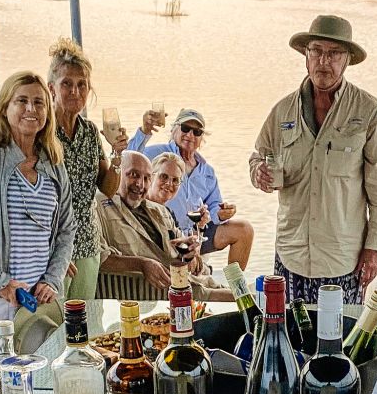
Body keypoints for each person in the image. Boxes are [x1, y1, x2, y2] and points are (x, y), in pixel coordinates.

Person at [249, 14, 377, 304]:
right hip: (291, 254)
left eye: (334, 53)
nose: (324, 61)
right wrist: (258, 173)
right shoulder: (282, 111)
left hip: (342, 259)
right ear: (306, 55)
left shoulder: (367, 111)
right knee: (287, 330)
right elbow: (258, 156)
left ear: (347, 60)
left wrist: (375, 248)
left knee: (342, 333)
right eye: (316, 51)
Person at [0, 71, 76, 351]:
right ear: (4, 108)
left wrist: (52, 280)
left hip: (39, 299)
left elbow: (67, 229)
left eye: (39, 102)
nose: (31, 109)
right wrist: (1, 282)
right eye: (22, 101)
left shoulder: (54, 163)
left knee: (41, 371)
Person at [47, 38, 127, 300]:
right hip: (53, 247)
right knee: (52, 318)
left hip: (88, 242)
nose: (75, 91)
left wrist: (117, 155)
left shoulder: (90, 131)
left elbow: (107, 188)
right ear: (51, 88)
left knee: (84, 319)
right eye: (67, 84)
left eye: (82, 85)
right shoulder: (41, 133)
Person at [97, 152, 232, 301]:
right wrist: (141, 264)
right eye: (134, 175)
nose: (140, 184)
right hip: (157, 291)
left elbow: (186, 257)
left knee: (241, 290)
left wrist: (189, 252)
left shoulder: (161, 211)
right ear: (118, 173)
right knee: (244, 299)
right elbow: (98, 257)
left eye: (146, 178)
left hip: (190, 282)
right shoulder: (100, 207)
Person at [142, 109, 253, 269]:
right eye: (185, 128)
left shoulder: (207, 171)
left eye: (197, 131)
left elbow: (214, 207)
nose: (190, 135)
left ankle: (235, 283)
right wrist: (144, 132)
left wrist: (222, 213)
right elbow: (129, 157)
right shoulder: (156, 153)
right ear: (174, 129)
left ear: (202, 137)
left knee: (244, 230)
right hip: (164, 231)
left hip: (197, 231)